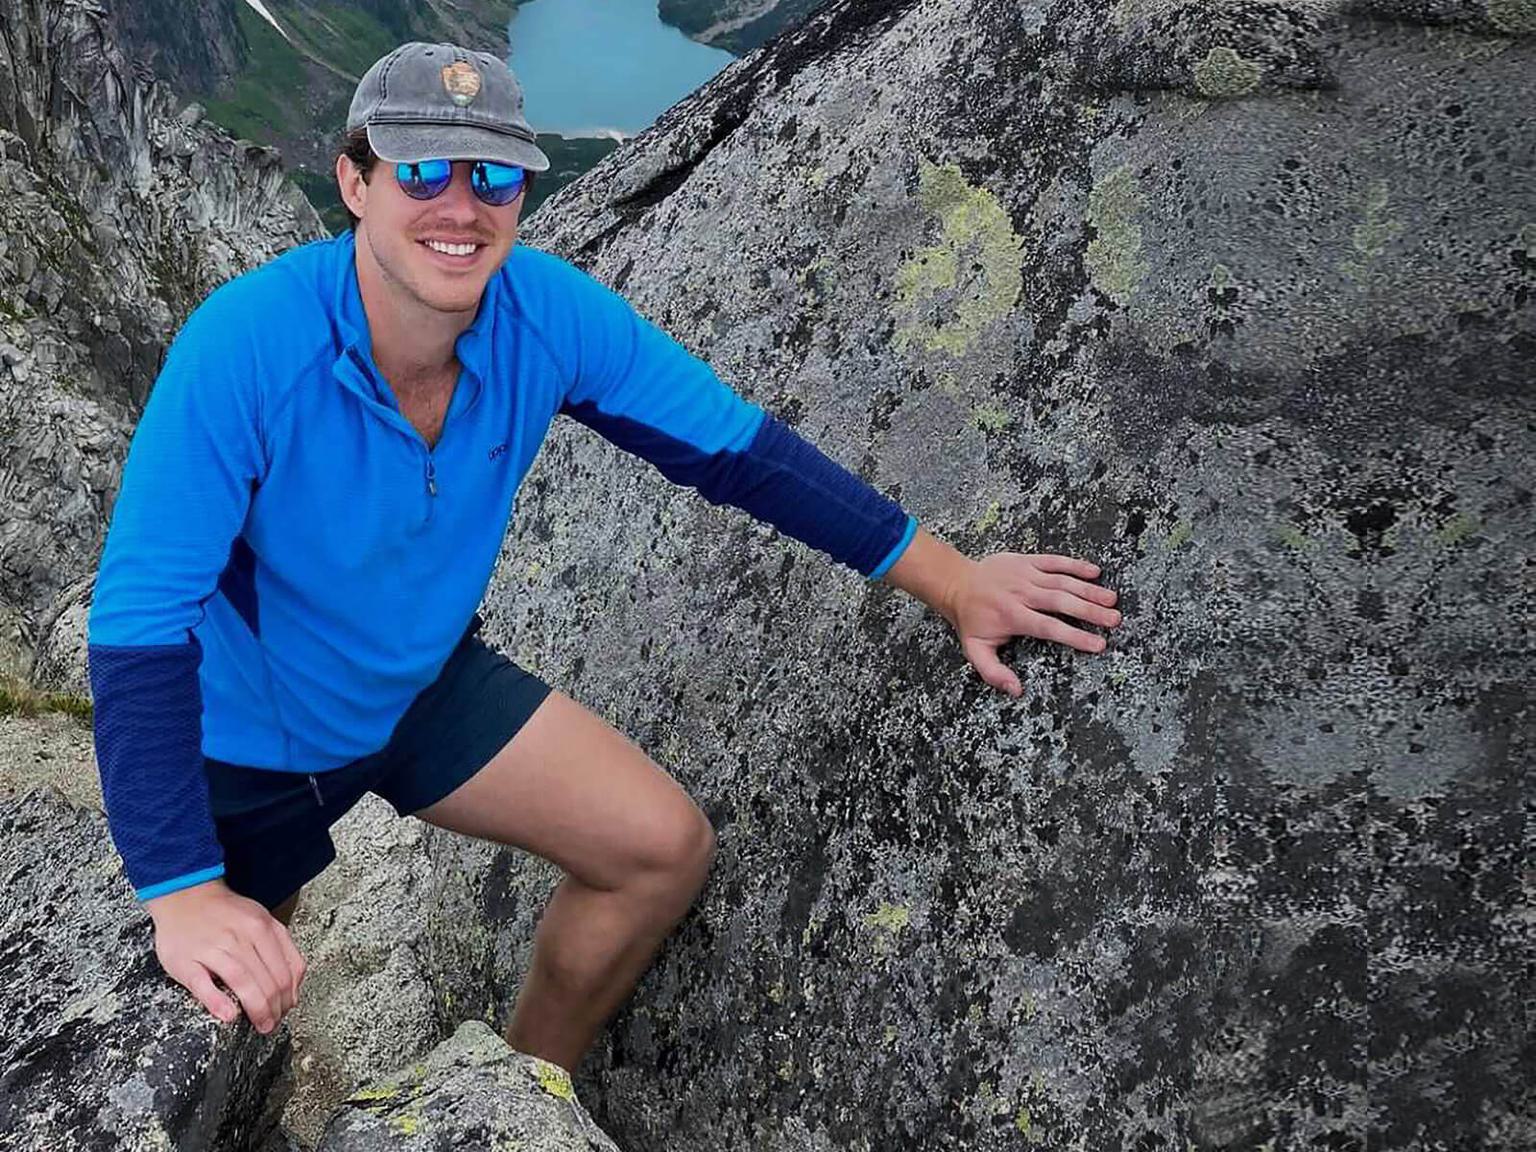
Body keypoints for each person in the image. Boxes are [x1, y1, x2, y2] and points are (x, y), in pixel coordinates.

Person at [87, 42, 1122, 1073]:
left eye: (493, 176)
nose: (461, 206)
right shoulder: (247, 347)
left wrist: (953, 580)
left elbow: (741, 453)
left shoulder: (545, 315)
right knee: (244, 995)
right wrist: (181, 888)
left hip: (418, 694)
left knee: (659, 852)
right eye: (421, 171)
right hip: (245, 748)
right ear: (355, 184)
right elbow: (140, 619)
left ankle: (516, 1101)